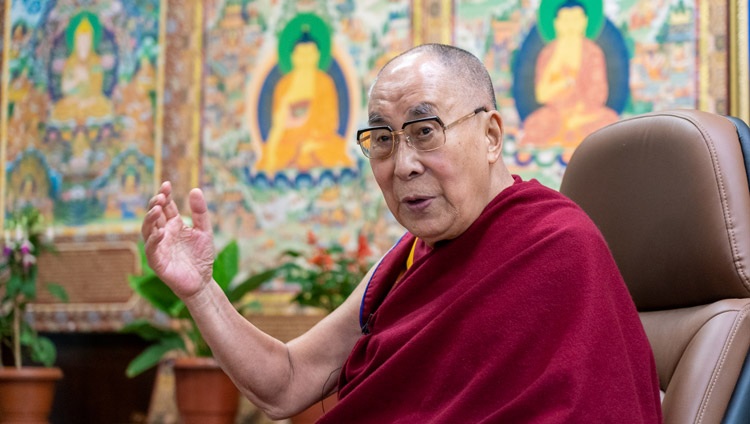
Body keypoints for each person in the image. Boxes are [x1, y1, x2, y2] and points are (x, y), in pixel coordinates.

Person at [142, 44, 662, 422]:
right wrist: (200, 290)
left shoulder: (558, 247)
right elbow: (285, 384)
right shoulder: (409, 261)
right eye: (383, 140)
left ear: (491, 136)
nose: (403, 165)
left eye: (424, 131)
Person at [520, 0, 618, 150]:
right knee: (534, 124)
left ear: (584, 22)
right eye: (565, 20)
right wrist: (561, 77)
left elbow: (599, 93)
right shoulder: (548, 54)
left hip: (585, 115)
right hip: (555, 115)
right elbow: (542, 95)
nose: (571, 25)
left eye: (576, 19)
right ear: (556, 23)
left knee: (608, 120)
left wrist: (579, 114)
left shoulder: (593, 53)